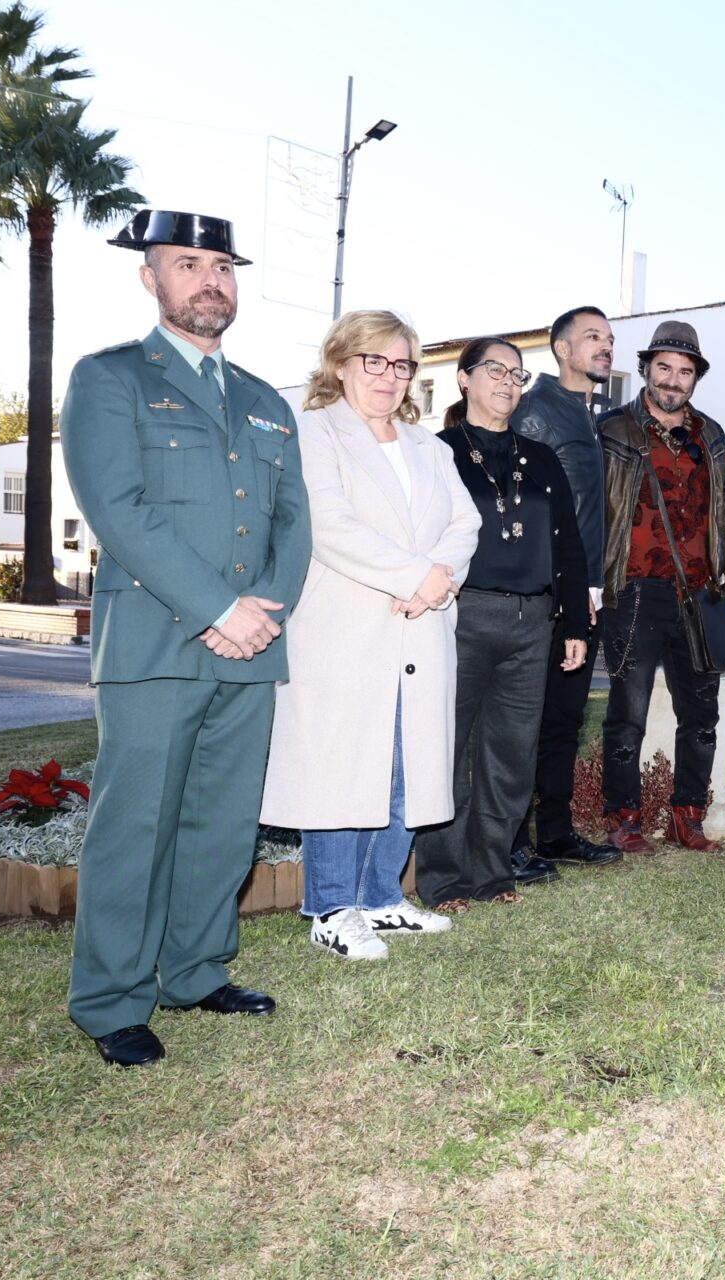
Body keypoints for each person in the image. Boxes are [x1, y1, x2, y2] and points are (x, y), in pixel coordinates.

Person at [59, 210, 312, 1066]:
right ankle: (111, 999)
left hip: (252, 649)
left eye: (223, 267)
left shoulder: (265, 401)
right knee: (136, 827)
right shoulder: (111, 379)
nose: (211, 280)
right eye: (189, 264)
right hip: (156, 646)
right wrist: (218, 610)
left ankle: (197, 970)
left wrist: (261, 612)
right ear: (151, 278)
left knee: (222, 823)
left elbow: (293, 524)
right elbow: (118, 510)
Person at [259, 311, 481, 960]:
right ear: (340, 364)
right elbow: (330, 525)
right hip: (346, 627)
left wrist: (435, 584)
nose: (389, 376)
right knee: (342, 766)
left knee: (405, 767)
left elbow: (463, 526)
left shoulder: (430, 447)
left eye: (402, 364)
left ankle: (381, 896)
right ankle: (331, 907)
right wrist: (417, 578)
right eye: (374, 361)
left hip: (422, 626)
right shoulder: (313, 433)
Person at [413, 338, 589, 912]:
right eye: (495, 370)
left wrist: (574, 625)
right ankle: (443, 878)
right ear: (463, 380)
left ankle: (491, 871)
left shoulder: (540, 458)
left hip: (532, 620)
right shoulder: (435, 453)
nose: (509, 382)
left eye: (518, 373)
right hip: (459, 616)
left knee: (511, 754)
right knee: (448, 748)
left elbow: (570, 545)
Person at [594, 321, 725, 854]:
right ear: (646, 370)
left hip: (700, 593)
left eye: (685, 371)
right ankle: (624, 817)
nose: (673, 379)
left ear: (696, 378)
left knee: (701, 714)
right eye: (664, 367)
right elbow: (594, 512)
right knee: (627, 713)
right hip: (634, 589)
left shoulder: (711, 435)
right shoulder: (612, 430)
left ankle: (689, 816)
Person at [510, 305, 621, 869]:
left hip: (586, 593)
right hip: (548, 595)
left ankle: (554, 834)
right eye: (593, 337)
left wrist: (594, 588)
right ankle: (509, 842)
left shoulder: (588, 414)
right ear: (561, 348)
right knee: (524, 721)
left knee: (564, 720)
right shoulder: (534, 412)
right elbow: (523, 511)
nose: (606, 347)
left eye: (610, 339)